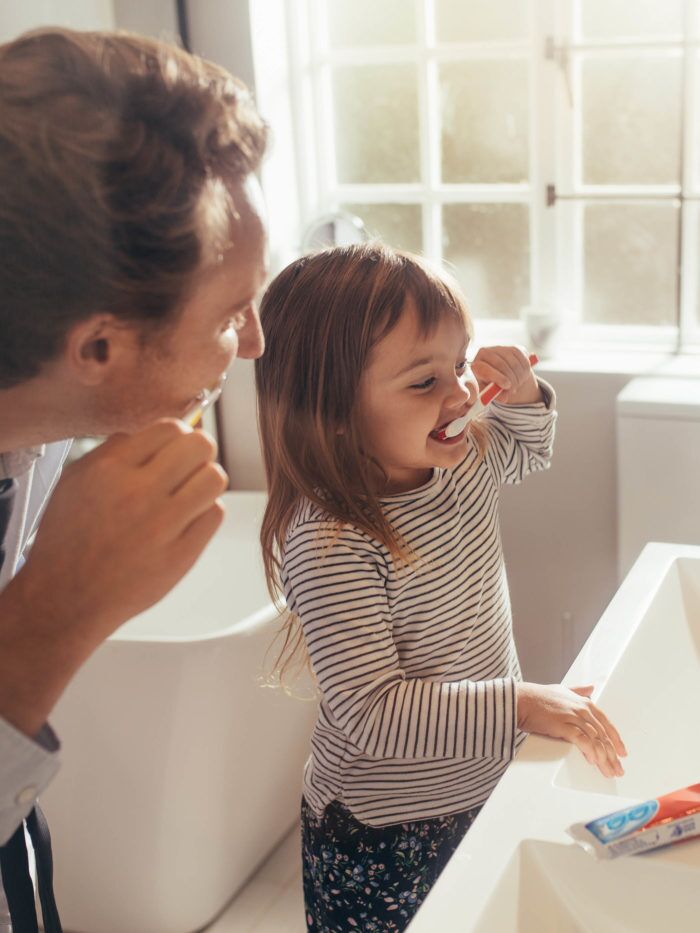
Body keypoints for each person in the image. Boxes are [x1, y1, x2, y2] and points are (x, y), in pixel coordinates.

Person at [254, 244, 627, 932]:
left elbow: (524, 445)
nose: (459, 395)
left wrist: (526, 394)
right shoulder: (332, 540)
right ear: (333, 409)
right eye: (424, 382)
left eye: (459, 364)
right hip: (384, 832)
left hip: (478, 784)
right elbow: (372, 711)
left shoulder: (458, 462)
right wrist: (518, 704)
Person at [0, 26, 268, 930]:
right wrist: (48, 619)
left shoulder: (37, 429)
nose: (256, 342)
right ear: (100, 346)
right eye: (234, 313)